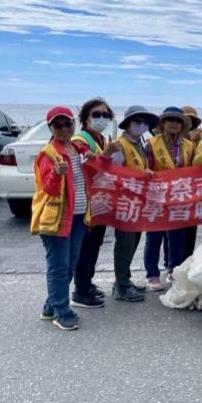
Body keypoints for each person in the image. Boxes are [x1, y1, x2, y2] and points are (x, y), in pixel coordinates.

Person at [31, 106, 91, 331]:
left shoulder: (78, 149)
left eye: (67, 124)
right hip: (55, 219)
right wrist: (57, 174)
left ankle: (50, 306)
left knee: (68, 266)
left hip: (77, 218)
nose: (64, 128)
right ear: (51, 128)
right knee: (58, 267)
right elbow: (49, 189)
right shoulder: (48, 155)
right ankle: (61, 312)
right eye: (58, 125)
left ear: (74, 125)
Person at [103, 105, 158, 302]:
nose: (141, 125)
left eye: (144, 122)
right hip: (124, 202)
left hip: (136, 202)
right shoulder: (120, 144)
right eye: (137, 121)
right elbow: (115, 175)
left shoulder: (138, 143)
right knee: (125, 243)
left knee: (133, 241)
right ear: (127, 123)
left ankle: (124, 279)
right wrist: (140, 176)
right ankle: (122, 285)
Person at [70, 98, 114, 309]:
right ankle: (80, 290)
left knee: (95, 244)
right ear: (85, 117)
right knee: (85, 247)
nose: (101, 118)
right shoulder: (81, 139)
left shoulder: (101, 138)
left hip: (98, 201)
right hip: (86, 202)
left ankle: (87, 281)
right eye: (96, 114)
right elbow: (88, 163)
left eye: (106, 115)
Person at [144, 107, 195, 289]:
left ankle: (173, 269)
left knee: (177, 235)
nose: (174, 123)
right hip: (157, 196)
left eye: (178, 120)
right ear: (162, 123)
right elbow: (145, 167)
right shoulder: (151, 143)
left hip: (178, 195)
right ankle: (152, 274)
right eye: (170, 119)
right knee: (154, 235)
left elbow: (193, 169)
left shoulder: (189, 145)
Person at [181, 105, 202, 258]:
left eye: (192, 121)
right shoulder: (167, 141)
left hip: (192, 192)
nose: (189, 124)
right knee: (172, 231)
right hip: (175, 193)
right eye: (186, 120)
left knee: (191, 229)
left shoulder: (197, 141)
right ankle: (171, 263)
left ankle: (188, 258)